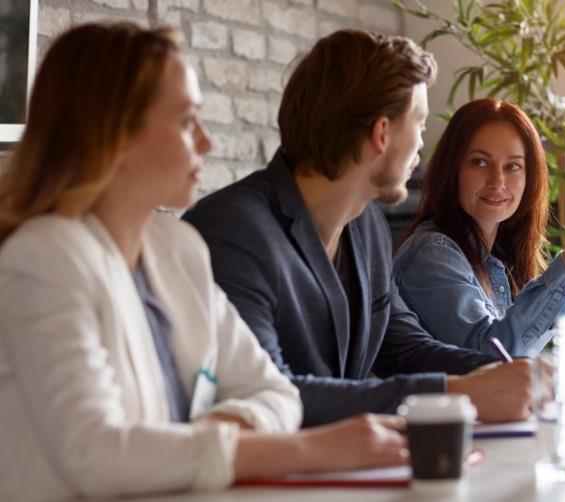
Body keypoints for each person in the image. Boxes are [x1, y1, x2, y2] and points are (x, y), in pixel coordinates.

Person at [0, 23, 408, 502]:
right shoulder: (43, 259)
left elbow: (277, 393)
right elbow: (97, 454)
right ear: (116, 135)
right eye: (185, 121)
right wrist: (314, 449)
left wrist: (220, 427)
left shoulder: (179, 249)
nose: (206, 142)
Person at [183, 29, 533, 428]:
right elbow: (270, 393)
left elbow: (405, 349)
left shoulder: (367, 226)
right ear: (381, 134)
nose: (422, 145)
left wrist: (511, 371)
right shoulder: (232, 230)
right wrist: (456, 393)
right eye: (418, 123)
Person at [393, 99, 565, 357]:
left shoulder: (497, 260)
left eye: (512, 166)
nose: (497, 181)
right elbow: (493, 357)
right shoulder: (431, 253)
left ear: (530, 178)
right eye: (480, 162)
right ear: (452, 169)